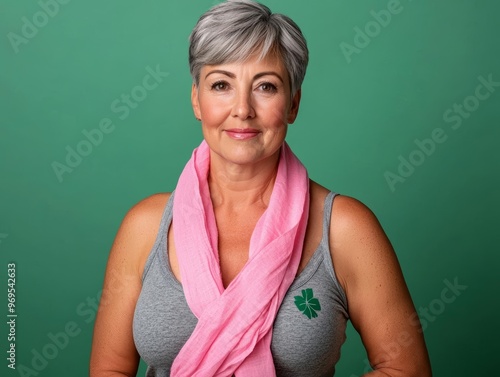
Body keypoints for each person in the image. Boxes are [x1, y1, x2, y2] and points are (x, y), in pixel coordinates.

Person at [89, 1, 432, 376]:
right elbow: (110, 369)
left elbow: (406, 369)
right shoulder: (145, 226)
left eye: (265, 86)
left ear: (293, 105)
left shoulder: (345, 229)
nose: (242, 109)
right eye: (221, 84)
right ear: (196, 100)